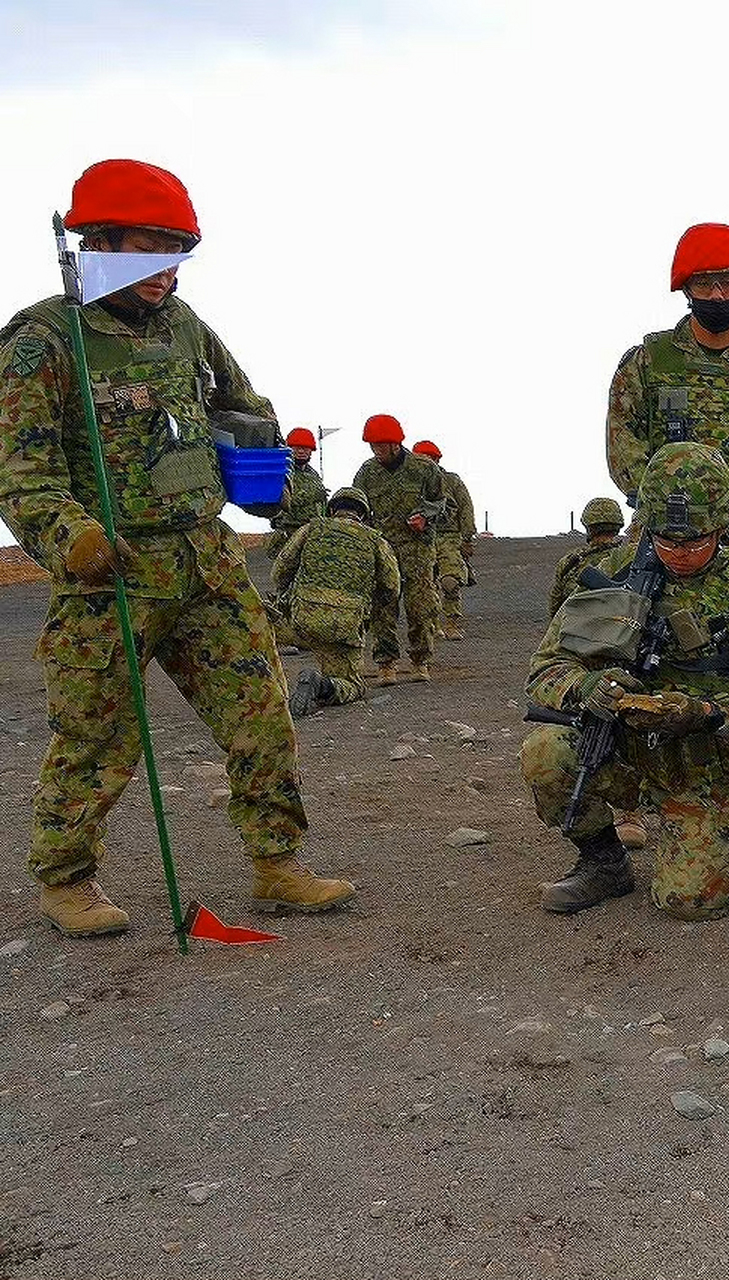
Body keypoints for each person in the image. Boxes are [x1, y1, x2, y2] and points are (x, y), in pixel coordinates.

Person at [0, 158, 354, 935]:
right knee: (96, 736)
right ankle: (66, 880)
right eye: (149, 249)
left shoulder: (187, 327)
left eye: (178, 250)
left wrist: (263, 465)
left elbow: (246, 406)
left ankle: (277, 863)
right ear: (98, 243)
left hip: (206, 559)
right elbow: (22, 474)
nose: (167, 269)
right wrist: (72, 537)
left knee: (261, 715)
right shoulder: (43, 341)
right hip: (112, 573)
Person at [522, 443, 729, 918]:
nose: (679, 554)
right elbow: (547, 669)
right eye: (666, 541)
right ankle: (604, 862)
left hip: (714, 759)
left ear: (721, 526)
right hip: (634, 748)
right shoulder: (614, 574)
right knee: (545, 752)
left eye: (694, 542)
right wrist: (588, 688)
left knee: (688, 901)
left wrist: (704, 714)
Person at [605, 223, 729, 555]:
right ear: (687, 289)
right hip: (663, 541)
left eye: (728, 283)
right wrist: (669, 503)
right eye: (704, 284)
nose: (717, 295)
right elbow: (623, 446)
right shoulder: (646, 363)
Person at [273, 486, 401, 717]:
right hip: (343, 627)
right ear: (363, 514)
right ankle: (322, 685)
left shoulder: (310, 529)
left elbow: (280, 571)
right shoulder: (375, 541)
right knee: (354, 685)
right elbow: (392, 587)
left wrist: (288, 596)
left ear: (331, 510)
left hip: (301, 620)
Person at [352, 413, 444, 683]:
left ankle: (420, 661)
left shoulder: (424, 469)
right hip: (382, 551)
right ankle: (386, 664)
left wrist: (425, 516)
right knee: (382, 608)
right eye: (372, 445)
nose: (376, 450)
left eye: (381, 445)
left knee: (420, 607)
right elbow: (358, 508)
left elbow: (441, 503)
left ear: (395, 444)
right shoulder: (367, 473)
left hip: (417, 550)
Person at [410, 439, 476, 640]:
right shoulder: (411, 483)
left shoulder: (451, 481)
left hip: (449, 537)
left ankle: (452, 623)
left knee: (450, 581)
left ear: (436, 460)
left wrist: (467, 538)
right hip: (421, 537)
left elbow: (465, 507)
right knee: (426, 584)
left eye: (428, 458)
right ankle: (433, 624)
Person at [548, 496, 628, 616]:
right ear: (617, 526)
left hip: (576, 625)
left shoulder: (569, 562)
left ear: (588, 527)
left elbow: (555, 608)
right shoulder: (629, 557)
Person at [262, 427, 327, 561]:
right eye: (297, 448)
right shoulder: (282, 471)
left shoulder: (313, 474)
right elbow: (281, 500)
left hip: (312, 534)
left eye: (306, 448)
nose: (301, 451)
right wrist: (312, 495)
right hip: (289, 533)